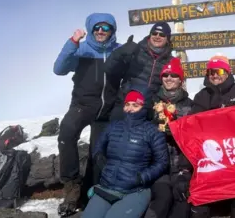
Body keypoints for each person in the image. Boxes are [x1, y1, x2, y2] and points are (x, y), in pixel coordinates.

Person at [53, 13, 120, 215]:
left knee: (98, 152)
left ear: (112, 31)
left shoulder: (119, 51)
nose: (101, 31)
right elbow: (59, 69)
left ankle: (92, 192)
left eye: (106, 28)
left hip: (106, 110)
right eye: (97, 27)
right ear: (91, 29)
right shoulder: (82, 50)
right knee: (66, 134)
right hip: (82, 105)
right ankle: (72, 187)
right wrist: (73, 42)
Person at [81, 89, 169, 218]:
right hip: (106, 187)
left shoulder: (153, 131)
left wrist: (142, 177)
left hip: (134, 190)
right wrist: (99, 158)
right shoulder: (114, 126)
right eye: (127, 104)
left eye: (135, 105)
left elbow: (162, 162)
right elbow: (98, 146)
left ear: (143, 107)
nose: (130, 109)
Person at [189, 54, 235, 218]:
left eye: (218, 71)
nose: (214, 75)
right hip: (211, 157)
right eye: (210, 72)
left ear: (227, 72)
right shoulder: (201, 96)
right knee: (198, 202)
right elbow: (192, 125)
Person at [144, 58, 193, 218]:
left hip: (182, 166)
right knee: (162, 201)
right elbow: (140, 130)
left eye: (174, 75)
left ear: (181, 79)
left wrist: (178, 130)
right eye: (165, 75)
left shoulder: (191, 105)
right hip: (159, 167)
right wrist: (154, 126)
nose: (169, 78)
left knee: (182, 201)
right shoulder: (151, 102)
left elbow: (194, 139)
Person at [105, 21, 174, 121]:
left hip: (149, 108)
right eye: (154, 33)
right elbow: (109, 69)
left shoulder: (170, 61)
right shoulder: (135, 51)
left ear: (167, 38)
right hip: (126, 103)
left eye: (162, 34)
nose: (157, 36)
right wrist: (119, 53)